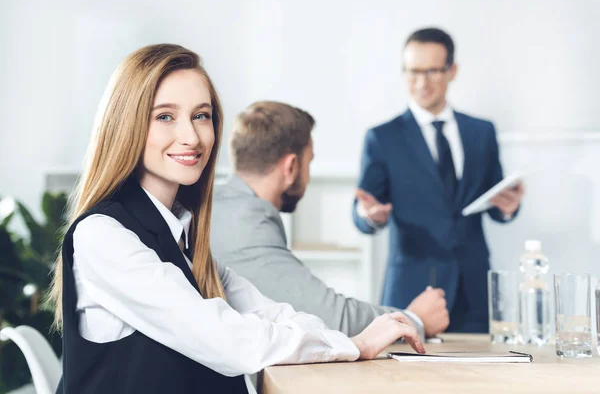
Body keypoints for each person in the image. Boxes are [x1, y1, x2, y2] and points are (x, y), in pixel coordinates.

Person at [48, 44, 425, 394]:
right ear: (126, 125)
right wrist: (352, 346)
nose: (191, 136)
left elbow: (270, 312)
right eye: (165, 116)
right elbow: (225, 339)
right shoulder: (104, 235)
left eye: (201, 116)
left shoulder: (180, 234)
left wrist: (342, 341)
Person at [210, 100, 449, 339]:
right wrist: (415, 320)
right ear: (291, 167)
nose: (308, 174)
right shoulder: (248, 222)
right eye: (309, 161)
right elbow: (332, 318)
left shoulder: (223, 205)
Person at [352, 27, 524, 333]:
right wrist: (369, 216)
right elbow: (364, 209)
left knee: (481, 378)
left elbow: (494, 202)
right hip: (412, 292)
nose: (421, 82)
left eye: (432, 71)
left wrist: (507, 207)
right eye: (412, 71)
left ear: (452, 71)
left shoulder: (481, 132)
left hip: (474, 290)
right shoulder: (382, 137)